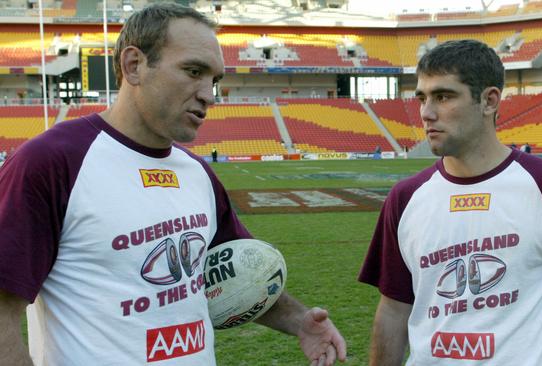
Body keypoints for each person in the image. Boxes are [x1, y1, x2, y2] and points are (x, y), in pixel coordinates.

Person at [0, 4, 345, 366]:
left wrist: (300, 321)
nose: (209, 95)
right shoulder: (52, 162)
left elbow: (231, 272)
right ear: (134, 65)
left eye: (214, 80)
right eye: (193, 71)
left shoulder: (197, 173)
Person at [358, 39, 542, 365]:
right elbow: (393, 309)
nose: (426, 113)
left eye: (443, 97)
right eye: (422, 98)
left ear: (489, 101)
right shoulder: (405, 198)